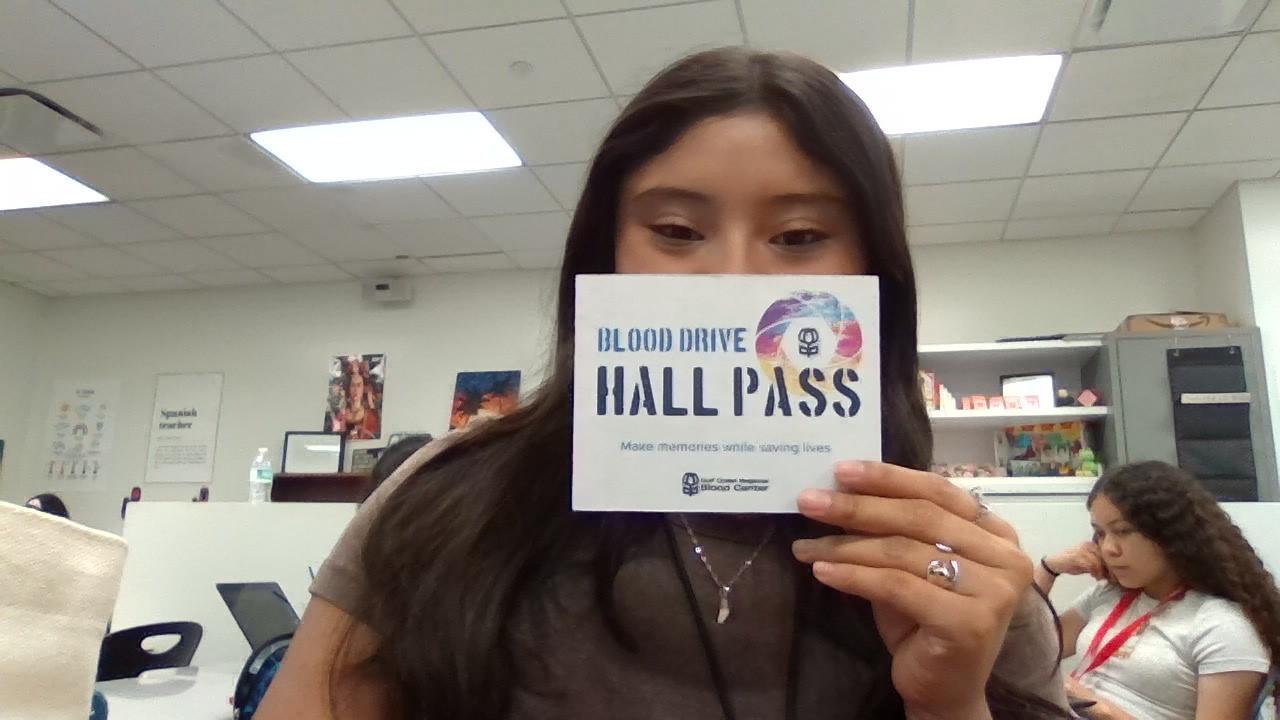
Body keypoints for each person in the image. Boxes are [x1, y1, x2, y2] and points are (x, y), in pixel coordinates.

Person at [258, 48, 1068, 720]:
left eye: (799, 236)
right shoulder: (449, 507)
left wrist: (949, 705)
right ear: (605, 254)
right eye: (676, 230)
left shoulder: (953, 571)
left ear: (872, 271)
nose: (733, 278)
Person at [1035, 461, 1279, 719]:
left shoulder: (1222, 625)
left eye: (1123, 531)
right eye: (1100, 534)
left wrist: (1095, 706)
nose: (1108, 549)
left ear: (1171, 534)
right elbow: (1027, 652)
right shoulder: (1108, 594)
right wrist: (1048, 569)